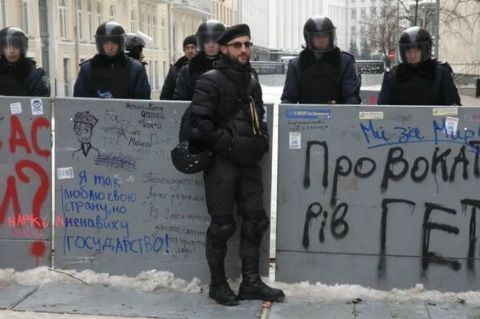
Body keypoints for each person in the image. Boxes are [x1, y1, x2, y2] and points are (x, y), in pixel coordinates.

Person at [187, 24, 285, 306]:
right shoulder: (209, 80)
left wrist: (261, 140)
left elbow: (259, 119)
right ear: (224, 49)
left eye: (247, 44)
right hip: (222, 164)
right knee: (222, 226)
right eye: (237, 45)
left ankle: (251, 282)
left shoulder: (251, 80)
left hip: (249, 163)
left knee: (256, 221)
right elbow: (200, 125)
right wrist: (229, 144)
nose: (244, 50)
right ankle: (218, 285)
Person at [281, 16, 361, 104]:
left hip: (338, 115)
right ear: (309, 38)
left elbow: (351, 96)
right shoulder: (296, 65)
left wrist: (346, 112)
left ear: (331, 37)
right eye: (317, 36)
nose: (321, 40)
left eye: (325, 36)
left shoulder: (344, 62)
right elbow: (289, 98)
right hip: (306, 115)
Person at [377, 26, 461, 105]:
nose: (412, 55)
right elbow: (382, 110)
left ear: (425, 50)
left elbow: (454, 108)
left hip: (434, 120)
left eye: (416, 50)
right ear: (403, 52)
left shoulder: (440, 73)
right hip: (400, 120)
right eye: (408, 51)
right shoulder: (393, 76)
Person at [73, 21, 150, 99]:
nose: (110, 47)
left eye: (114, 43)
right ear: (100, 44)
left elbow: (143, 103)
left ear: (120, 43)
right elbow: (79, 102)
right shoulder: (87, 69)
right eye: (106, 43)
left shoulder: (135, 69)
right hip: (95, 111)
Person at [173, 20, 225, 100]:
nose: (211, 45)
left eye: (215, 40)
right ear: (201, 42)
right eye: (207, 40)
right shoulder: (188, 70)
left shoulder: (231, 67)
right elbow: (180, 101)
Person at [0, 26, 49, 96]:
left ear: (22, 48)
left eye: (15, 46)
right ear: (2, 49)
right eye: (7, 47)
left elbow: (41, 101)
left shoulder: (34, 74)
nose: (11, 51)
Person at [159, 35, 197, 100]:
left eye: (192, 47)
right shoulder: (174, 70)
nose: (190, 51)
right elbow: (165, 96)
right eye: (187, 48)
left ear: (197, 49)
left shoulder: (203, 68)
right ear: (184, 50)